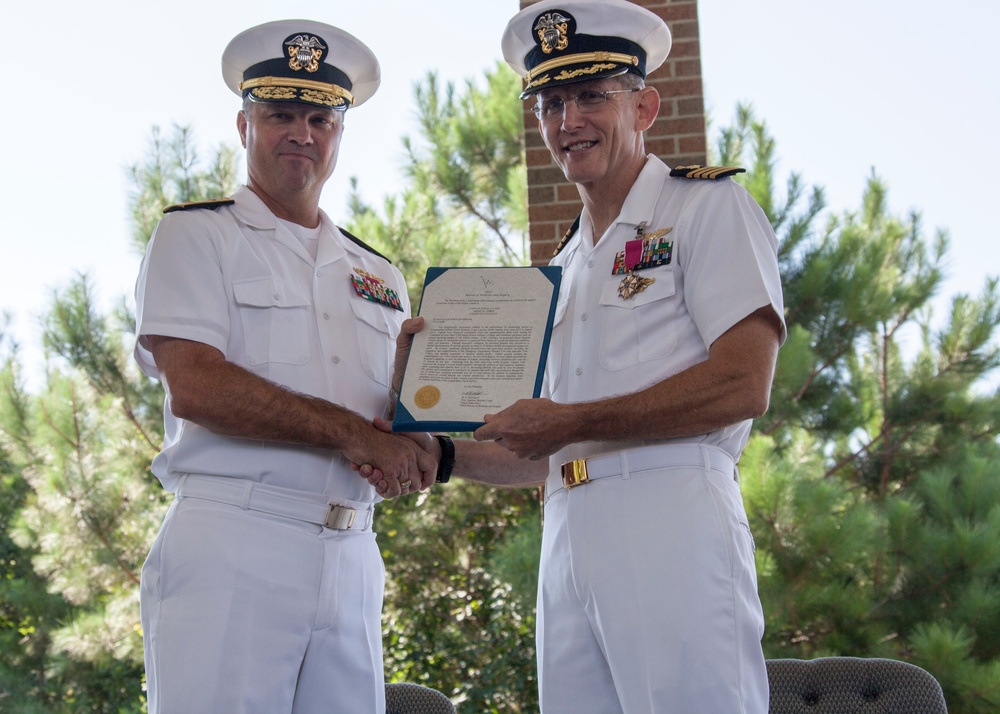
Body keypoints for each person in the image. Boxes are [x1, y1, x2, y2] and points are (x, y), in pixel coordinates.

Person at [367, 0, 785, 711]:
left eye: (592, 95)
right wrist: (438, 453)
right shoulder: (559, 268)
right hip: (567, 528)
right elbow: (547, 447)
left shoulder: (704, 208)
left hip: (669, 515)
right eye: (550, 102)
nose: (569, 121)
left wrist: (569, 420)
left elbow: (744, 382)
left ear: (646, 105)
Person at [133, 19, 438, 714]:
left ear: (338, 134)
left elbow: (383, 414)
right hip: (238, 540)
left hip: (355, 551)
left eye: (319, 118)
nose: (301, 133)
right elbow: (198, 386)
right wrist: (352, 435)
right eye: (279, 116)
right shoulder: (195, 235)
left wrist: (418, 432)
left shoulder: (379, 273)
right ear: (244, 126)